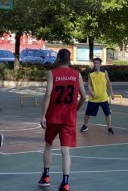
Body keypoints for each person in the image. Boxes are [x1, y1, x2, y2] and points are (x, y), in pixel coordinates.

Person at [38, 48, 86, 191]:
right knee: (65, 151)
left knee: (48, 145)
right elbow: (84, 97)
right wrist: (75, 109)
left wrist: (43, 115)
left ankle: (46, 177)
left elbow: (48, 94)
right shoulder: (77, 75)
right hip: (68, 118)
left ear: (58, 58)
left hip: (53, 116)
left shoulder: (52, 73)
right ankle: (65, 183)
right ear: (69, 59)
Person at [80, 56, 114, 134]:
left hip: (103, 97)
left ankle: (109, 128)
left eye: (97, 63)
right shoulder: (90, 73)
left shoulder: (104, 71)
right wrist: (90, 91)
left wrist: (111, 92)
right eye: (94, 63)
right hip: (93, 98)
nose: (96, 64)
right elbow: (89, 84)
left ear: (100, 64)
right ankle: (85, 126)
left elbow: (108, 82)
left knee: (108, 113)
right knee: (87, 113)